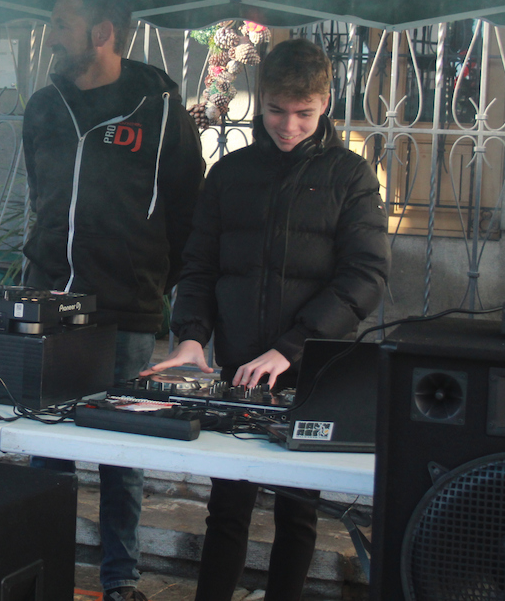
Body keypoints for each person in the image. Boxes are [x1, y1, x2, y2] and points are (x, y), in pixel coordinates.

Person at [143, 38, 390, 601]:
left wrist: (291, 347)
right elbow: (199, 266)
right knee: (227, 505)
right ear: (260, 100)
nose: (289, 126)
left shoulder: (351, 176)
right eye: (277, 110)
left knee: (297, 512)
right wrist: (190, 337)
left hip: (310, 373)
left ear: (326, 103)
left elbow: (365, 277)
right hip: (236, 369)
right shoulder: (229, 174)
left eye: (304, 113)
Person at [22, 0, 205, 601]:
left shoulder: (160, 110)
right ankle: (42, 570)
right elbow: (41, 198)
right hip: (50, 304)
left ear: (102, 34)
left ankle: (121, 581)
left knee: (122, 452)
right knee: (47, 445)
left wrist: (150, 281)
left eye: (61, 23)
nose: (50, 36)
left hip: (127, 309)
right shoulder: (43, 107)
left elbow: (187, 212)